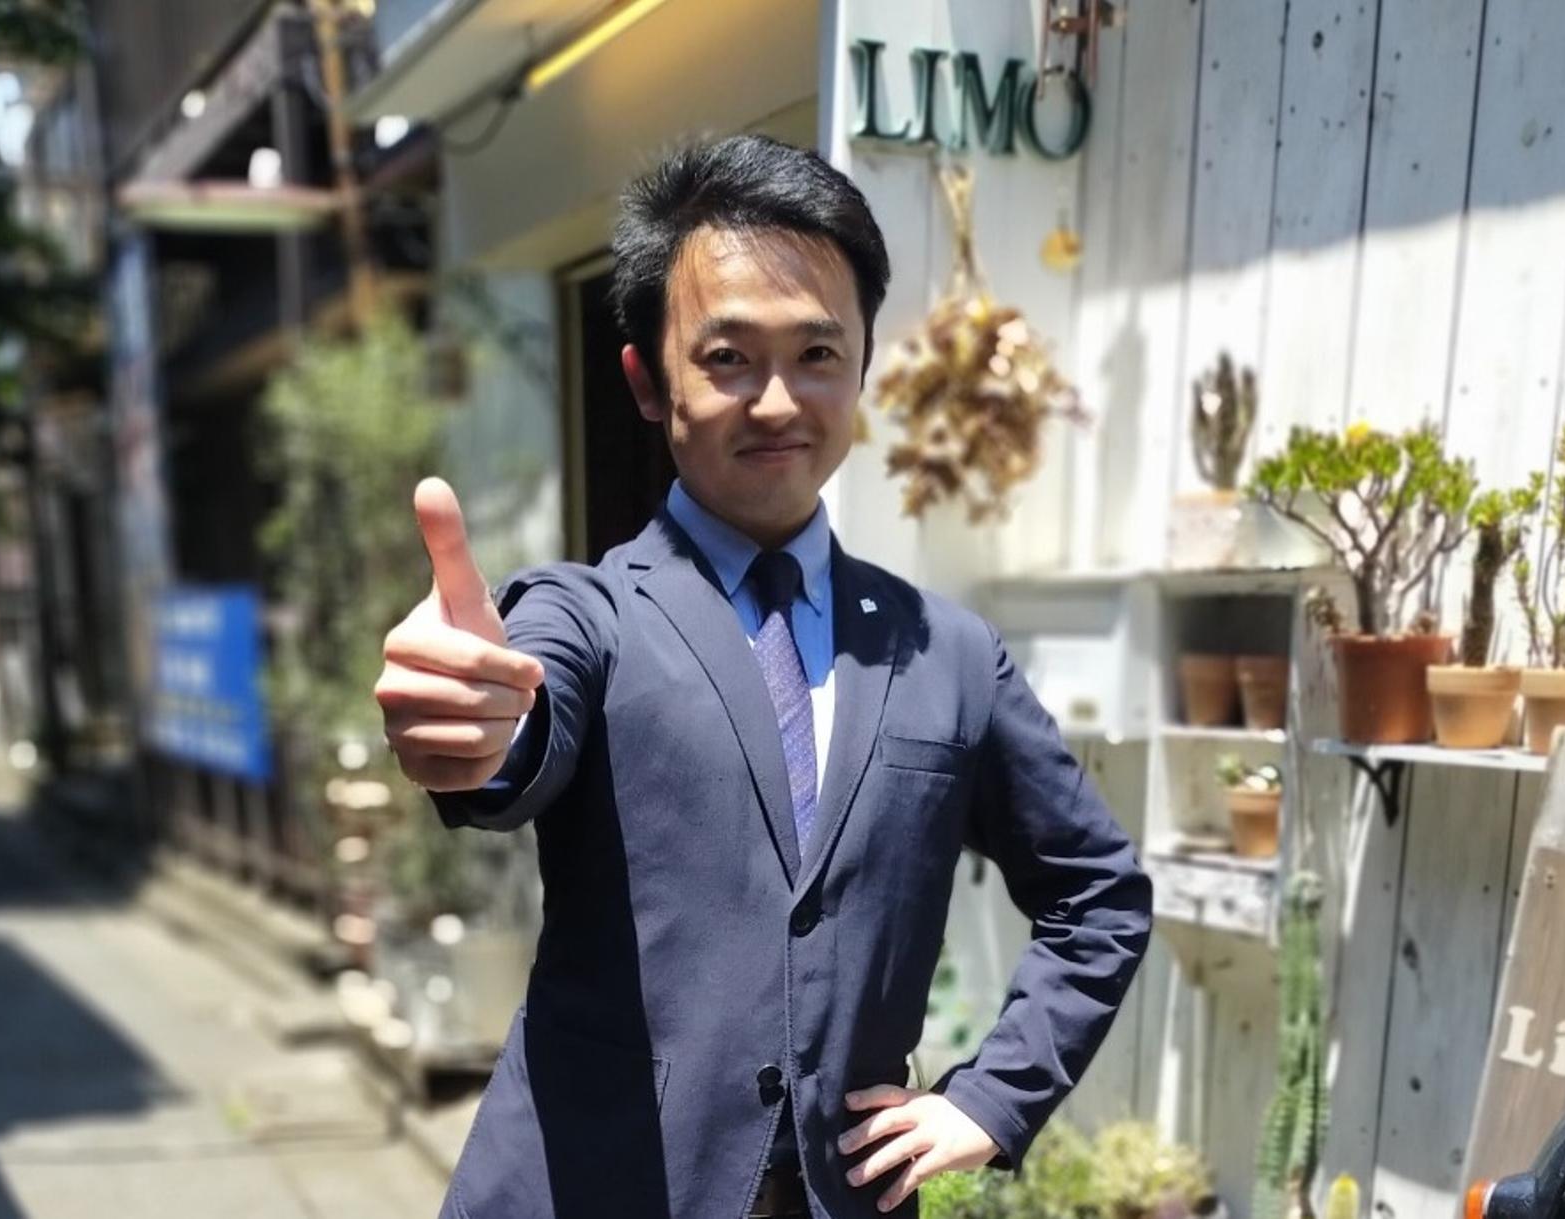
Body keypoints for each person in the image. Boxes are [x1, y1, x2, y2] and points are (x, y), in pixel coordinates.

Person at [374, 134, 1153, 1219]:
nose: (779, 401)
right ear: (649, 383)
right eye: (729, 358)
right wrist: (476, 728)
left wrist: (993, 1096)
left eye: (817, 353)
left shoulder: (946, 652)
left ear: (863, 366)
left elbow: (1097, 891)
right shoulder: (589, 613)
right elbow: (522, 722)